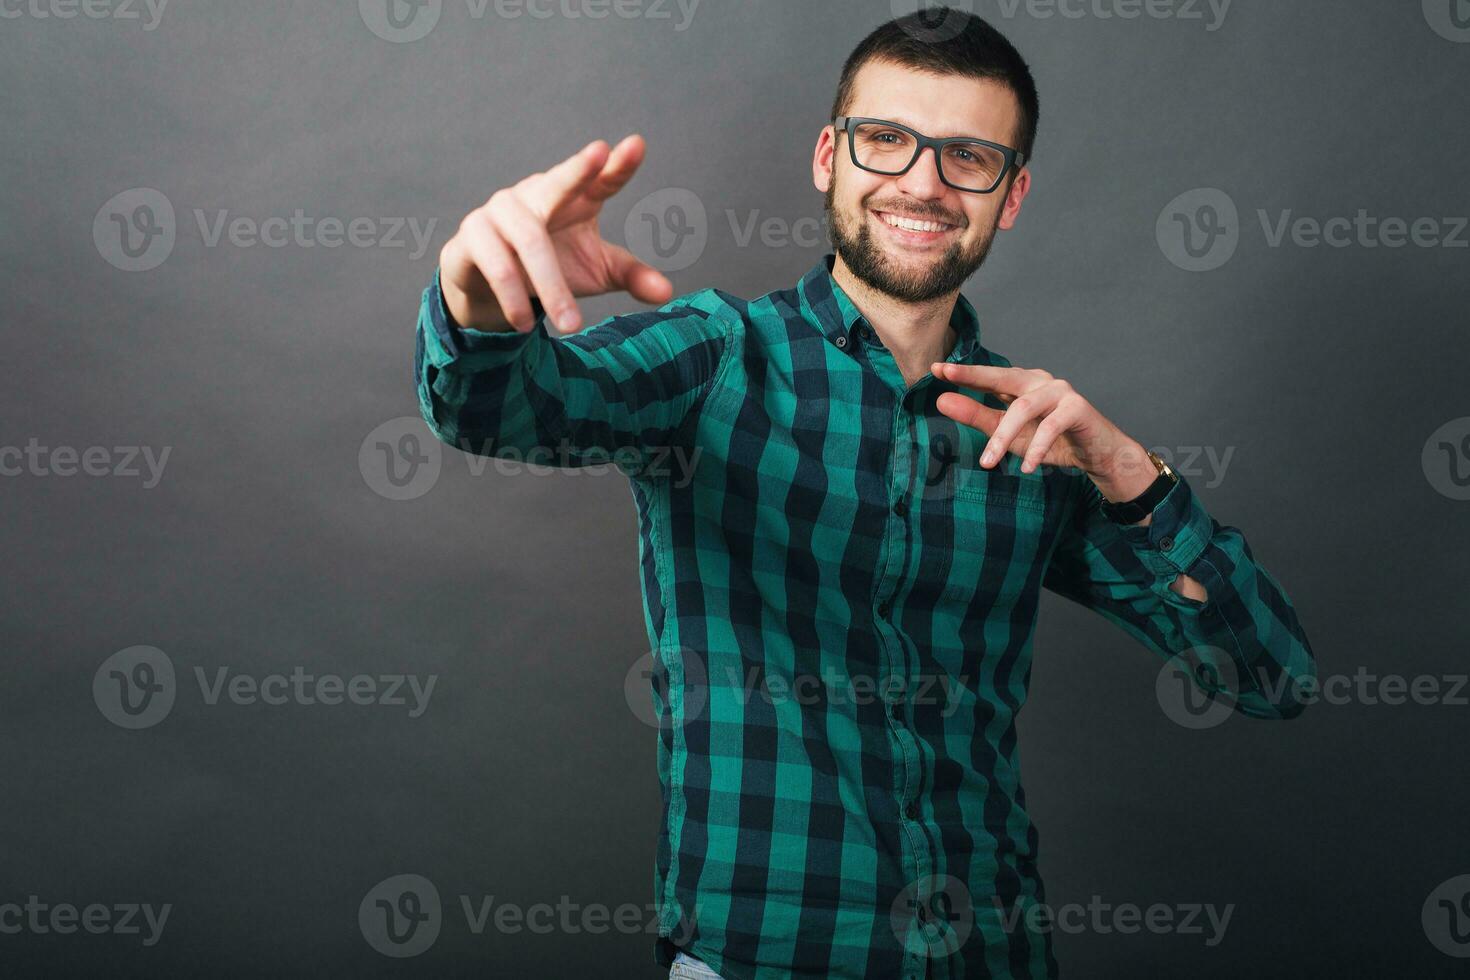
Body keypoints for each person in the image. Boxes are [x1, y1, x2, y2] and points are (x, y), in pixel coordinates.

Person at [413, 10, 1316, 979]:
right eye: (887, 140)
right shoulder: (718, 355)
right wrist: (475, 295)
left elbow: (1266, 676)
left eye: (967, 155)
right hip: (765, 957)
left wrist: (1134, 477)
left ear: (1010, 196)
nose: (922, 182)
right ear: (828, 158)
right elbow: (496, 404)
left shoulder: (1035, 433)